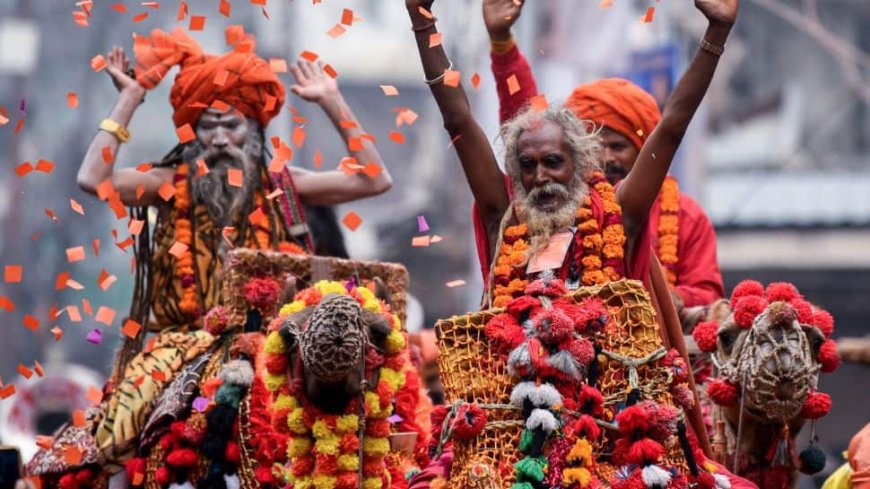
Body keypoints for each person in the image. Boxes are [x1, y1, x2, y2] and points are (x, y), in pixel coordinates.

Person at [402, 0, 750, 486]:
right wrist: (423, 22)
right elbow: (458, 120)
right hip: (507, 431)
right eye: (527, 166)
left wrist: (715, 34)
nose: (541, 177)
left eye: (553, 163)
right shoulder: (503, 219)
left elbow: (671, 126)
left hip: (613, 432)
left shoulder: (620, 218)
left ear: (582, 165)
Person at [28, 25, 392, 482]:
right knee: (110, 439)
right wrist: (132, 97)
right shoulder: (168, 183)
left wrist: (331, 101)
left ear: (255, 128)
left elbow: (375, 180)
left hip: (275, 345)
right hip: (180, 345)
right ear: (193, 131)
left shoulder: (281, 184)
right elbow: (92, 179)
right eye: (208, 126)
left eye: (232, 124)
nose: (220, 140)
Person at [475, 0, 724, 312]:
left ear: (645, 151)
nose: (605, 158)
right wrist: (502, 44)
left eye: (617, 146)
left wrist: (662, 298)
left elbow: (673, 126)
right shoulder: (551, 210)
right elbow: (525, 124)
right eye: (593, 147)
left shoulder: (652, 213)